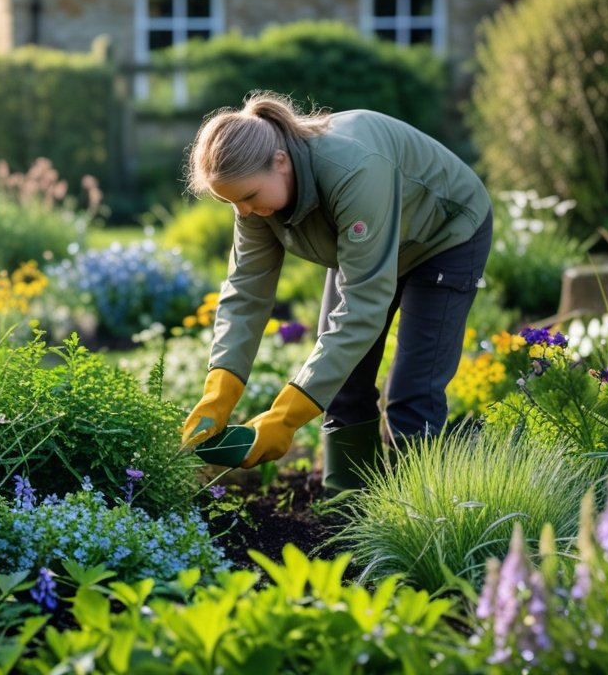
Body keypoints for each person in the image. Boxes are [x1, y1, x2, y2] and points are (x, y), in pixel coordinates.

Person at [180, 91, 492, 491]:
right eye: (232, 203)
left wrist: (285, 418)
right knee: (343, 382)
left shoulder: (353, 169)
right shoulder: (255, 199)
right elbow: (245, 292)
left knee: (412, 396)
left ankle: (423, 512)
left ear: (280, 162)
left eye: (248, 198)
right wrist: (219, 392)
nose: (242, 212)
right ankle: (348, 508)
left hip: (445, 235)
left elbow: (363, 306)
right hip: (368, 245)